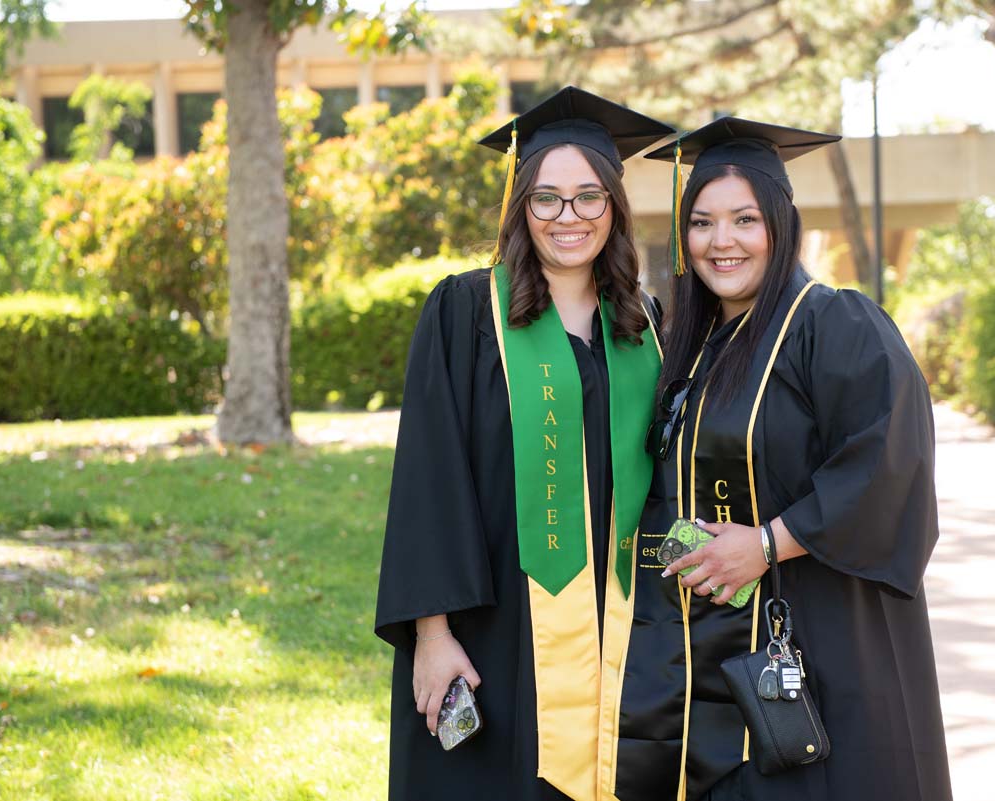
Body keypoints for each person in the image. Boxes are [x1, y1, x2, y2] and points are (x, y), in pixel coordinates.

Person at [609, 118, 953, 801]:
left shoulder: (834, 325)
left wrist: (769, 543)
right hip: (713, 660)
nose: (721, 240)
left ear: (781, 224)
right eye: (702, 222)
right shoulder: (696, 346)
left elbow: (890, 463)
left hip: (823, 647)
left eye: (744, 218)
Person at [373, 87, 673, 801]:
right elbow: (430, 473)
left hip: (622, 631)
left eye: (588, 197)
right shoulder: (467, 312)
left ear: (614, 207)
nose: (568, 217)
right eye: (546, 198)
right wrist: (432, 633)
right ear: (521, 205)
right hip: (494, 630)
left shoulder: (647, 326)